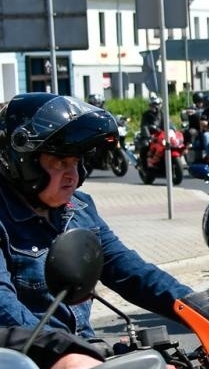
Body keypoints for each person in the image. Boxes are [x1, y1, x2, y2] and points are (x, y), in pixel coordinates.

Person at [0, 93, 192, 335]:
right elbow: (3, 307)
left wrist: (198, 307)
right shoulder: (4, 221)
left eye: (76, 162)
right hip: (30, 364)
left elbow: (131, 272)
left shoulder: (80, 210)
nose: (73, 175)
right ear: (23, 162)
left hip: (85, 356)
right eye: (59, 163)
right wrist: (64, 352)